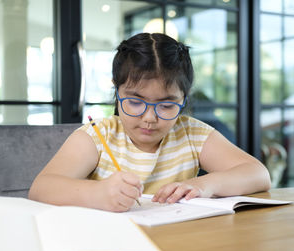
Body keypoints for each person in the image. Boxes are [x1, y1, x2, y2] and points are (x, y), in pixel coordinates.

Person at [28, 33, 271, 212]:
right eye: (135, 102)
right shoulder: (98, 136)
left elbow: (258, 174)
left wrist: (204, 184)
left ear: (183, 99)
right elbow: (41, 188)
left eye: (166, 105)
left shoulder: (191, 134)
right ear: (117, 90)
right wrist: (98, 194)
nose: (149, 118)